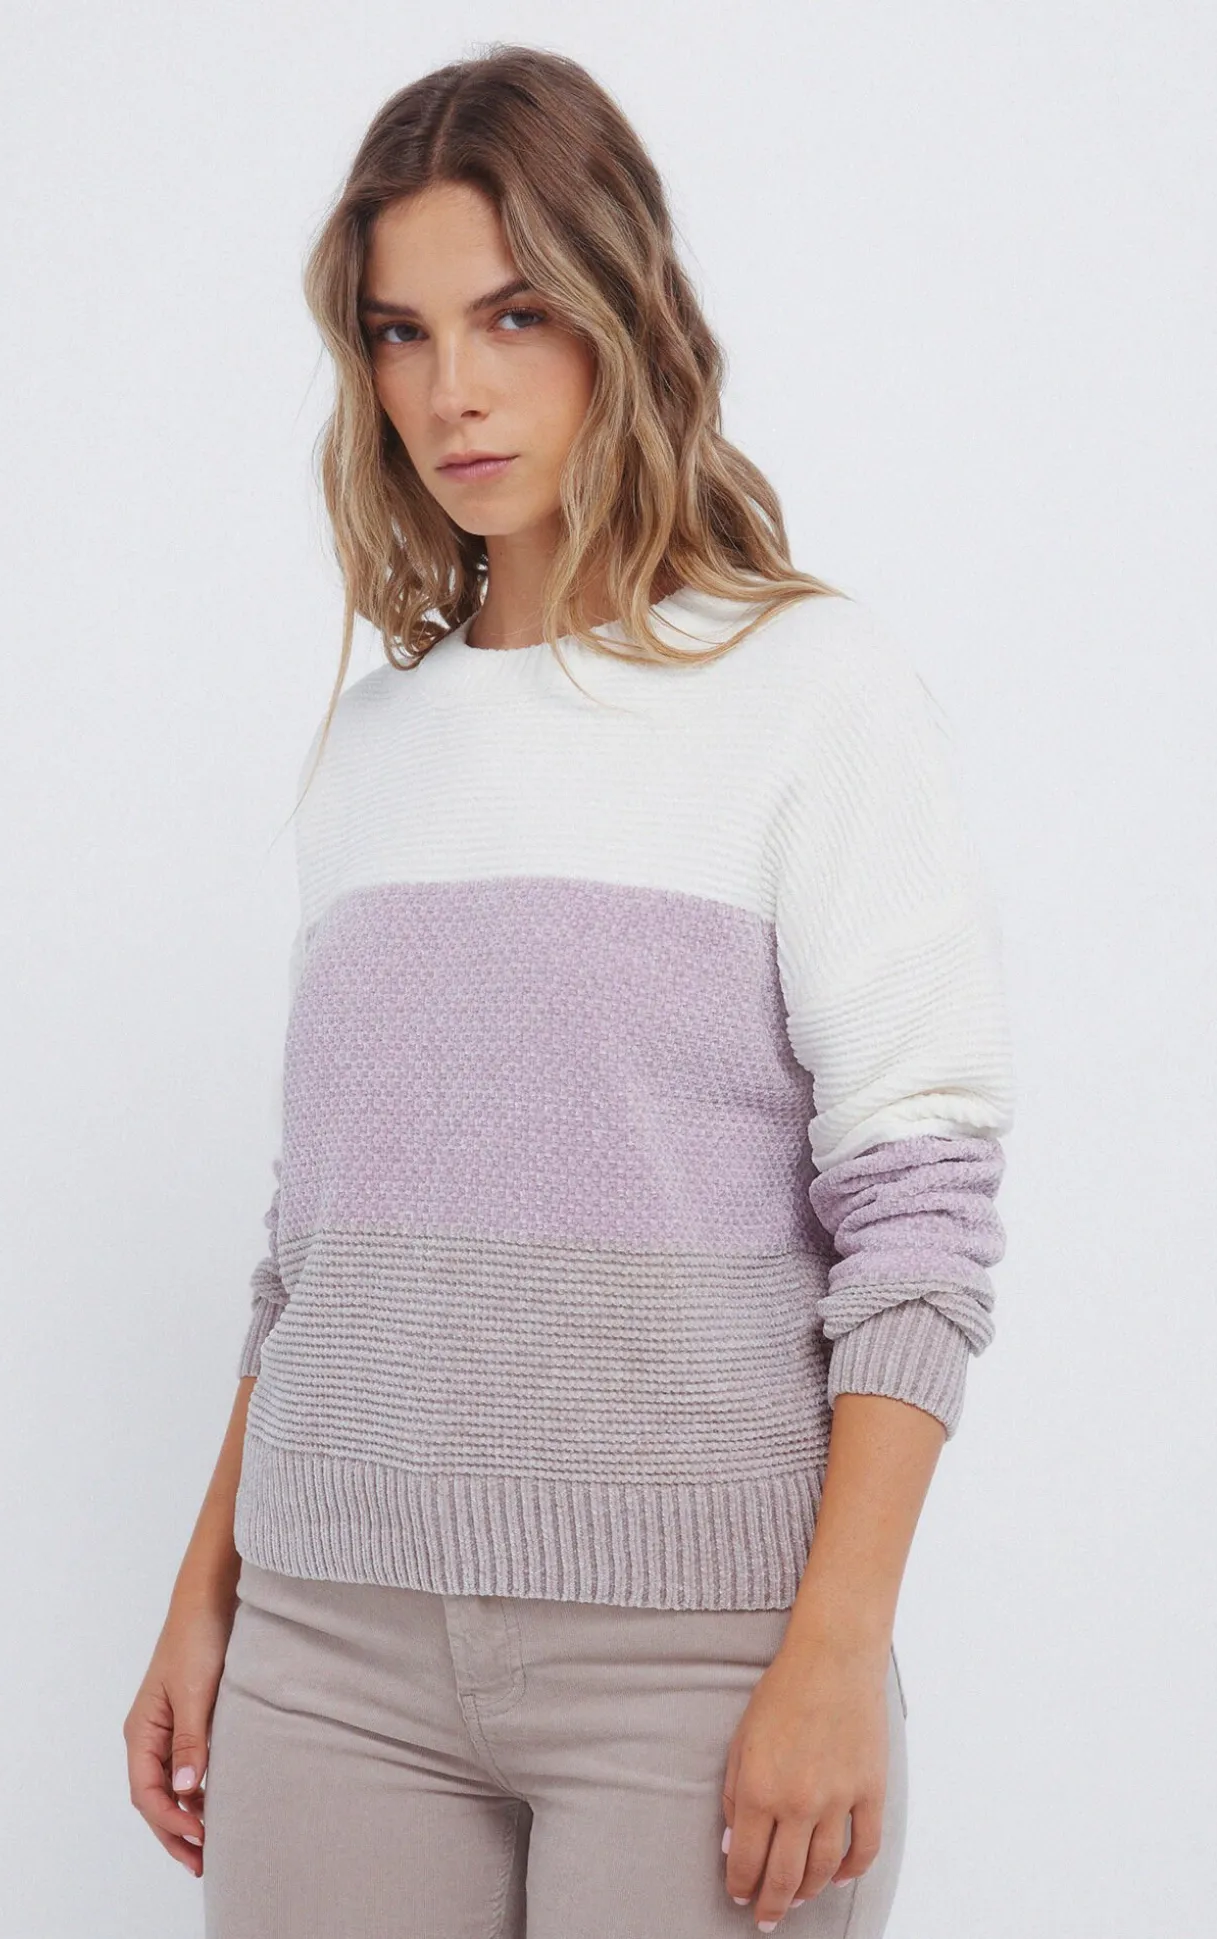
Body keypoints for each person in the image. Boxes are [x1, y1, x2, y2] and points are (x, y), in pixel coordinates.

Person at [123, 44, 1014, 1939]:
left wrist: (837, 1647)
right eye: (401, 331)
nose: (452, 388)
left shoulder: (810, 690)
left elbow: (920, 1214)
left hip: (695, 1658)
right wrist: (208, 1590)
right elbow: (314, 1242)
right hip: (328, 1648)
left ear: (623, 313)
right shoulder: (376, 746)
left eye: (513, 314)